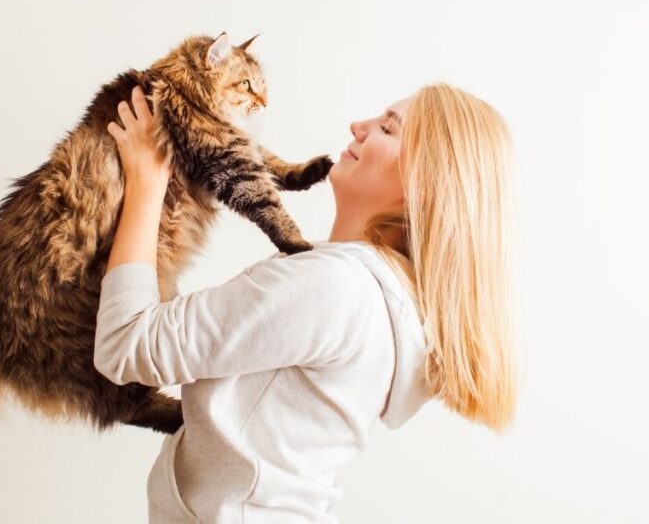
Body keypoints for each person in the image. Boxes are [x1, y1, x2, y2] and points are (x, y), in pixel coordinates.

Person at [96, 83, 518, 523]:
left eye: (388, 130)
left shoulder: (336, 288)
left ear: (423, 185)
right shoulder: (368, 292)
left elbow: (126, 346)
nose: (359, 127)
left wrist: (148, 181)